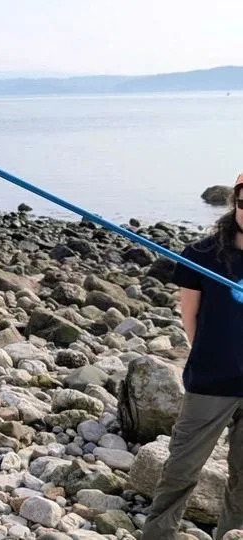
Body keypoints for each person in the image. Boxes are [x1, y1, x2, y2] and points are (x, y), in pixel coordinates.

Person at [141, 174, 243, 539]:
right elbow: (190, 319)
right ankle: (158, 535)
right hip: (211, 382)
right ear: (235, 202)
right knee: (181, 470)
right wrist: (215, 355)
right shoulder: (201, 255)